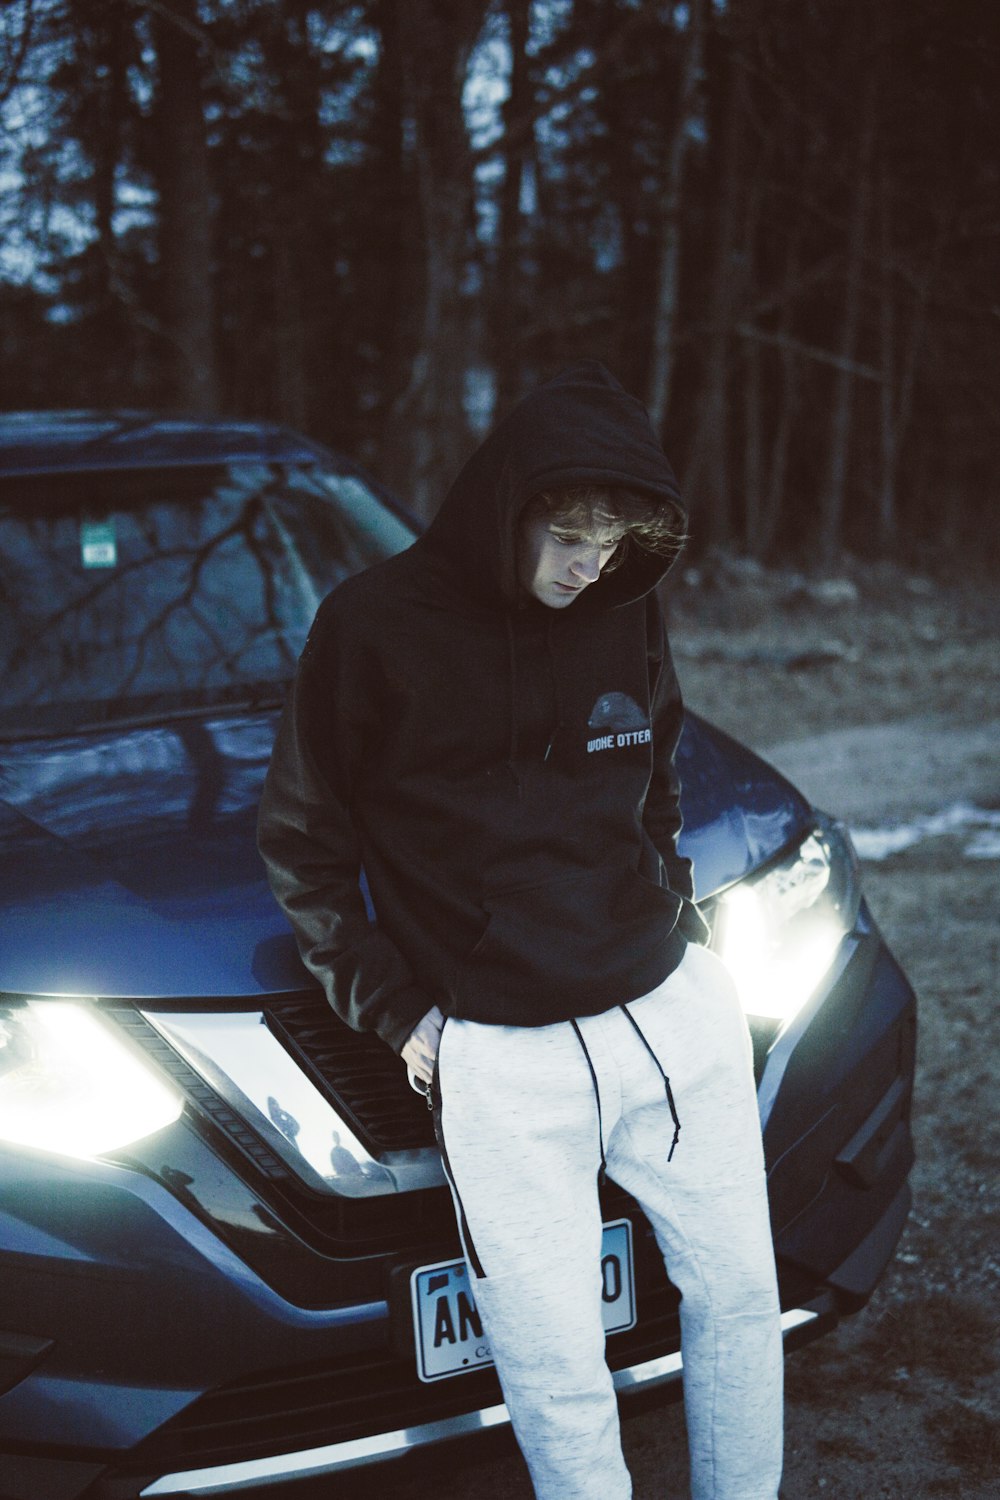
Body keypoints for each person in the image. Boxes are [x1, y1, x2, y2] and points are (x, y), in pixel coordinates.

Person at [257, 361, 783, 1499]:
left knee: (740, 1296)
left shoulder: (623, 604)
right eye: (569, 536)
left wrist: (677, 922)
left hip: (665, 1015)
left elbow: (657, 773)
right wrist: (394, 1008)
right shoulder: (371, 628)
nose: (588, 566)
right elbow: (303, 842)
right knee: (555, 1369)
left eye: (613, 544)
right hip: (501, 1055)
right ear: (509, 501)